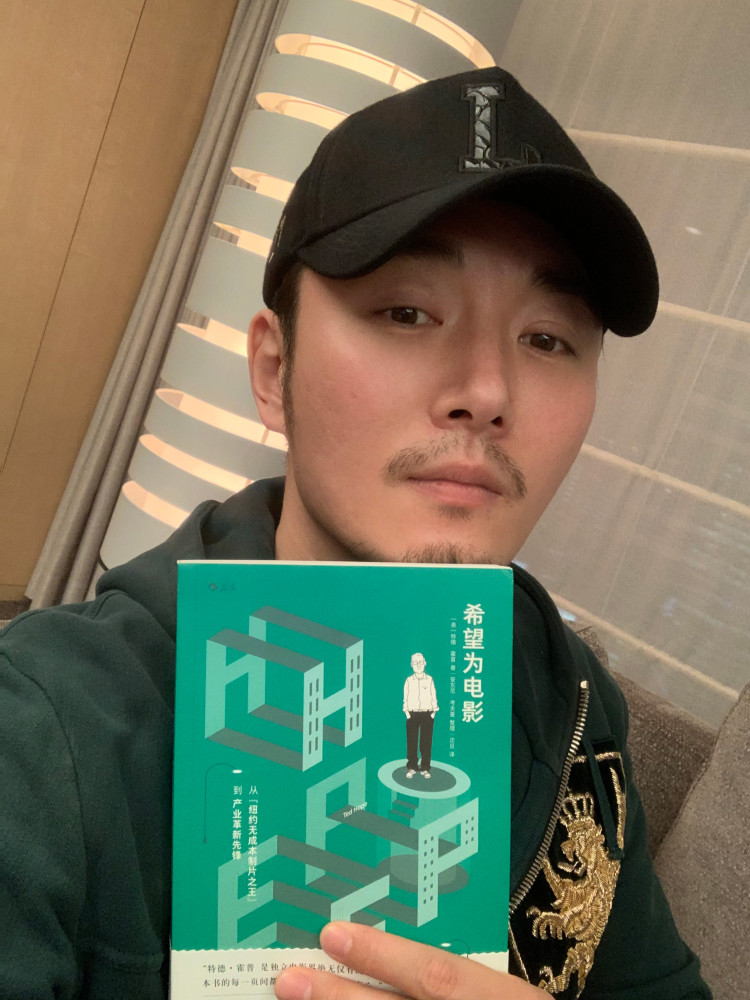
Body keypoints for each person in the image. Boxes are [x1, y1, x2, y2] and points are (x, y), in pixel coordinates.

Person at [0, 67, 711, 1000]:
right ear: (273, 368)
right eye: (407, 313)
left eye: (547, 338)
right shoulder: (47, 733)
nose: (487, 392)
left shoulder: (571, 691)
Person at [403, 652, 438, 777]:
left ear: (425, 663)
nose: (418, 665)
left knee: (426, 742)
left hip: (427, 714)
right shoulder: (408, 680)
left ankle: (425, 768)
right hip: (412, 714)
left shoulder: (429, 679)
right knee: (411, 742)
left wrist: (433, 713)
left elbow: (433, 696)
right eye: (415, 663)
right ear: (411, 664)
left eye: (420, 662)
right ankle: (412, 767)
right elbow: (405, 698)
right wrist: (407, 713)